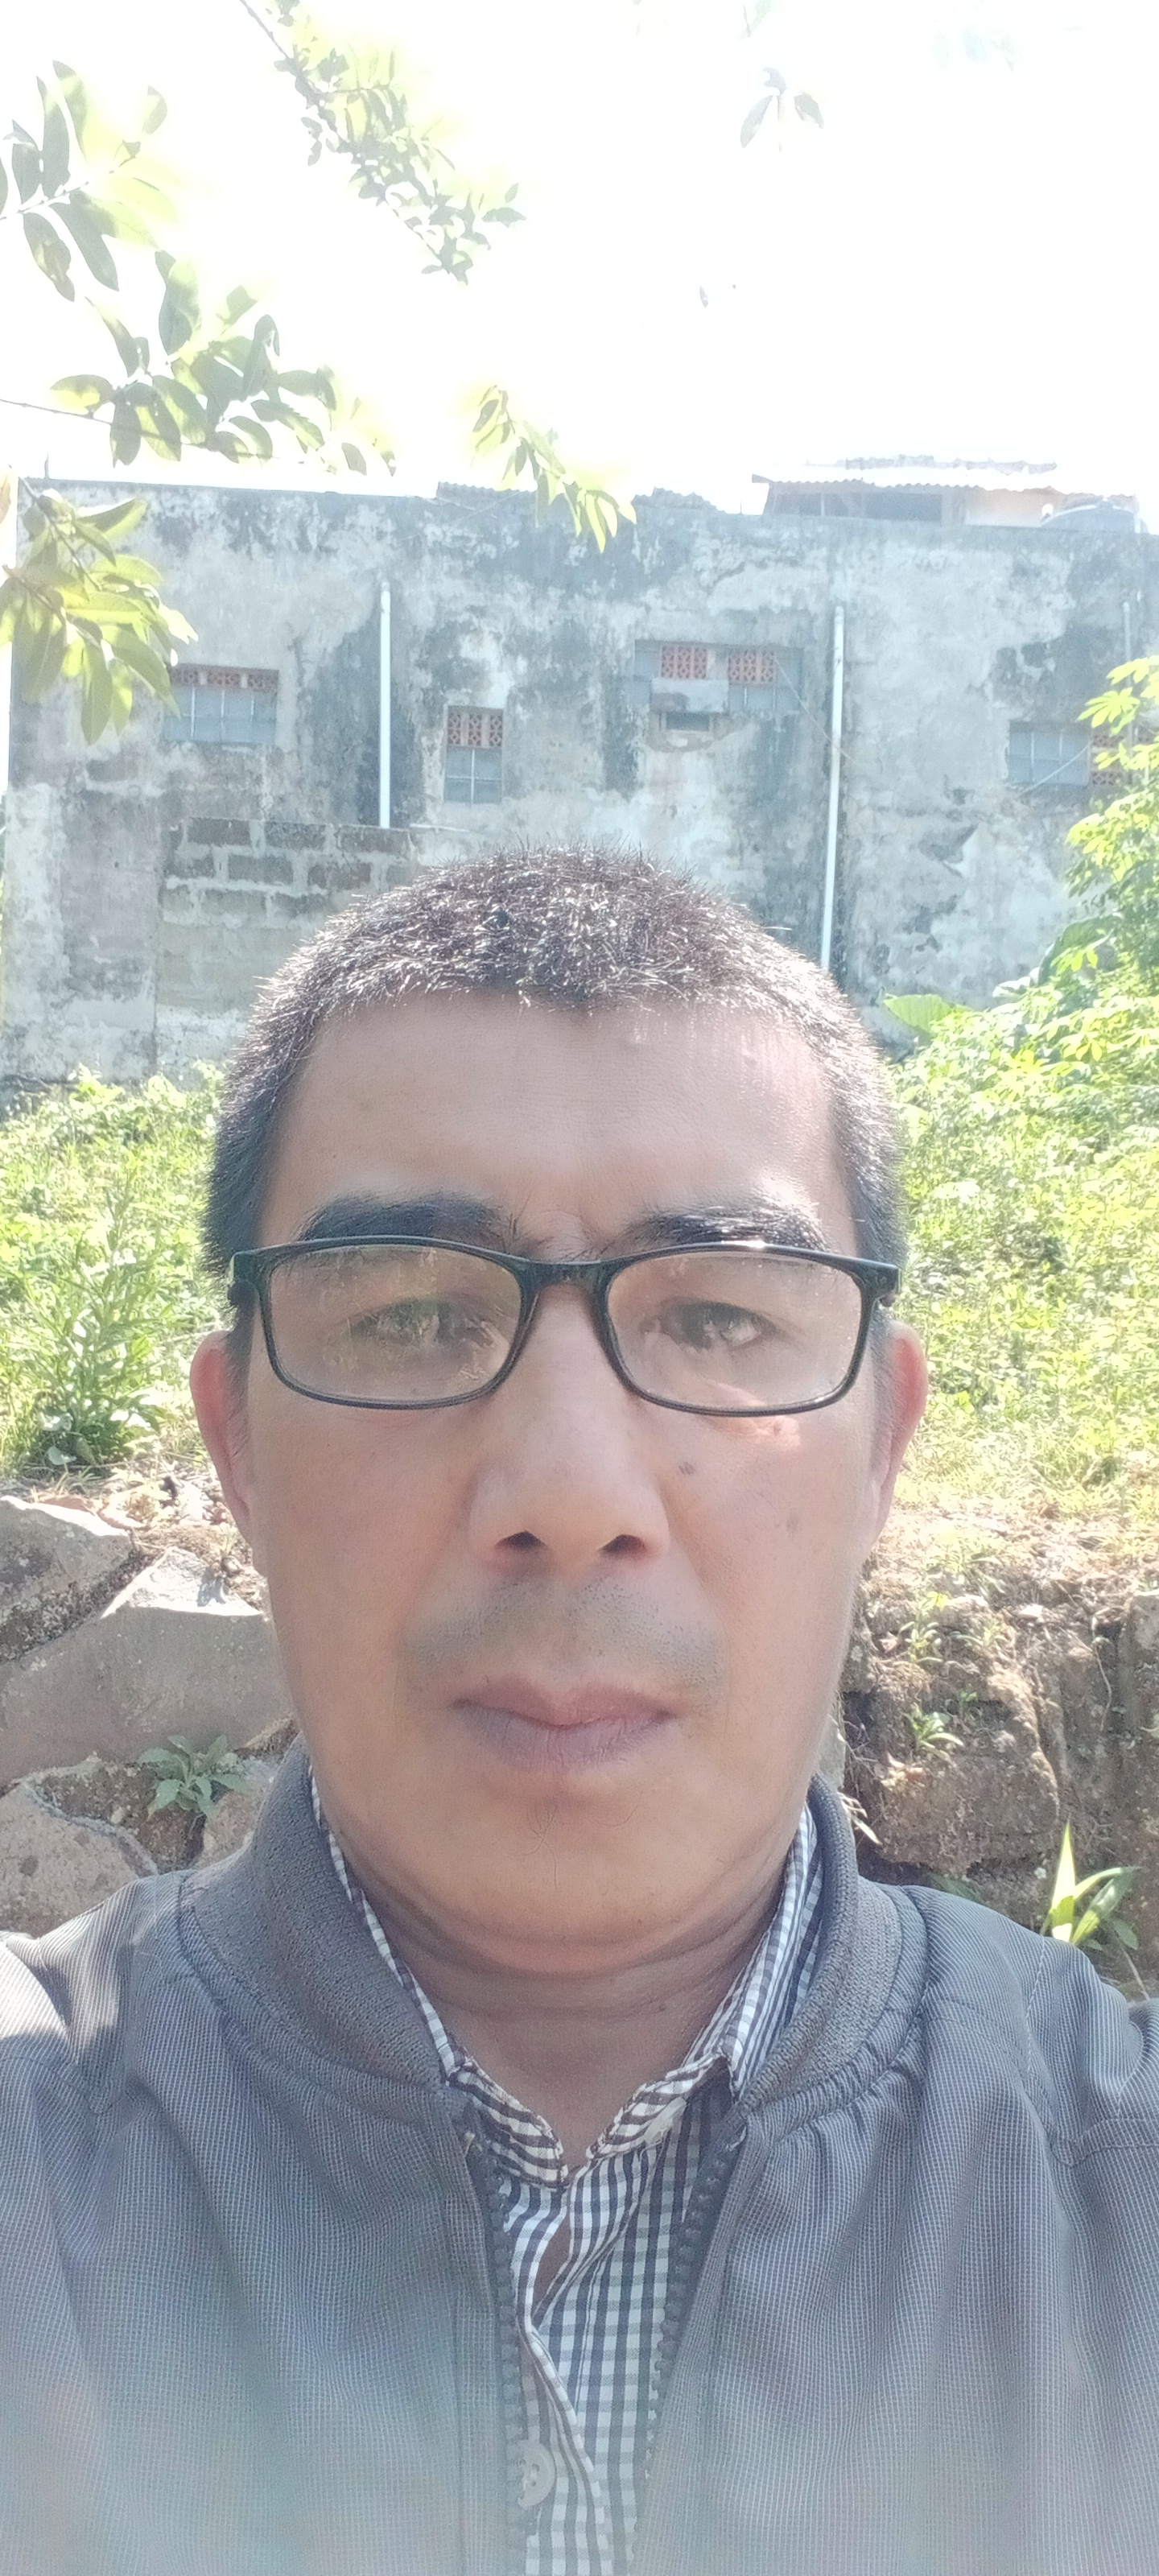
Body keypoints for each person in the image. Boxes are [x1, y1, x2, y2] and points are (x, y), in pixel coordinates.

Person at [1, 847, 1157, 2576]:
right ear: (237, 1443)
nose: (568, 1488)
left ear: (882, 1449)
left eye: (719, 1318)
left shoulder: (1117, 2190)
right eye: (409, 1314)